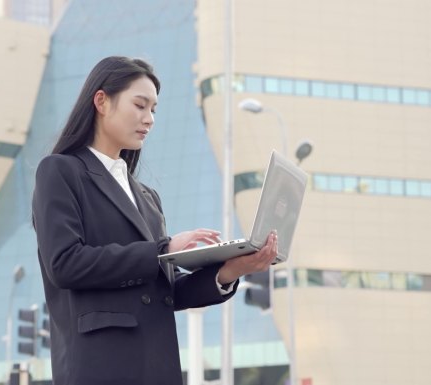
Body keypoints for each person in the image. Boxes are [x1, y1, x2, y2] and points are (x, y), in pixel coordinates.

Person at [31, 56, 278, 385]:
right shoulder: (61, 171)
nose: (149, 119)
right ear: (101, 101)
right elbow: (64, 263)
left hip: (157, 366)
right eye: (140, 105)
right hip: (100, 367)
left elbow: (164, 291)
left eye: (154, 110)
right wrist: (162, 249)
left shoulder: (147, 198)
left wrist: (231, 270)